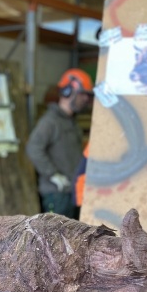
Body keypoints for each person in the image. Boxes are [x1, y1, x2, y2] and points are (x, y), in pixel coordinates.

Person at [25, 68, 93, 218]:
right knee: (55, 233)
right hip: (56, 194)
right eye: (82, 94)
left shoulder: (71, 122)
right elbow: (33, 148)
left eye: (87, 96)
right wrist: (52, 174)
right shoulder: (50, 122)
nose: (85, 99)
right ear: (67, 92)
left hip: (71, 191)